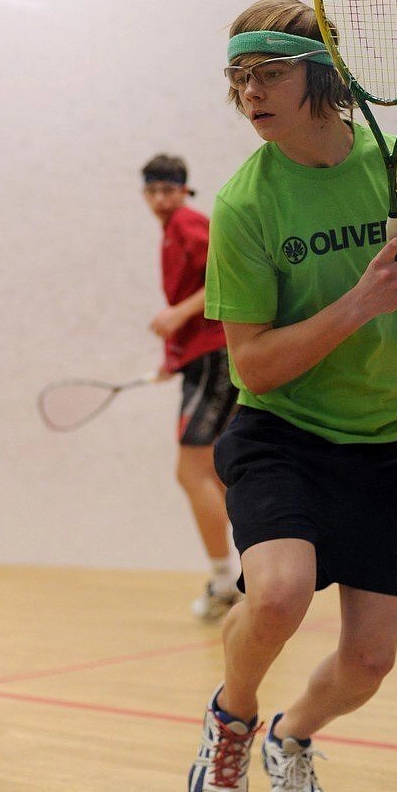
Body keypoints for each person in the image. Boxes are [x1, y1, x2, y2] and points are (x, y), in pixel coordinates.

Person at [187, 0, 397, 792]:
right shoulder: (245, 205)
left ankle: (291, 736)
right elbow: (251, 365)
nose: (250, 93)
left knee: (369, 662)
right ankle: (233, 718)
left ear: (323, 76)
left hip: (385, 440)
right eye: (239, 77)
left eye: (269, 73)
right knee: (278, 595)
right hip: (281, 433)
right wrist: (357, 303)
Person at [141, 154, 240, 621]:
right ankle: (246, 577)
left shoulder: (187, 223)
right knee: (217, 474)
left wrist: (178, 315)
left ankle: (225, 584)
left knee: (191, 472)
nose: (161, 199)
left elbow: (225, 275)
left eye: (168, 190)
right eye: (152, 191)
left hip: (216, 355)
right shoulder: (172, 230)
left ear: (184, 190)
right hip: (204, 357)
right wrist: (172, 357)